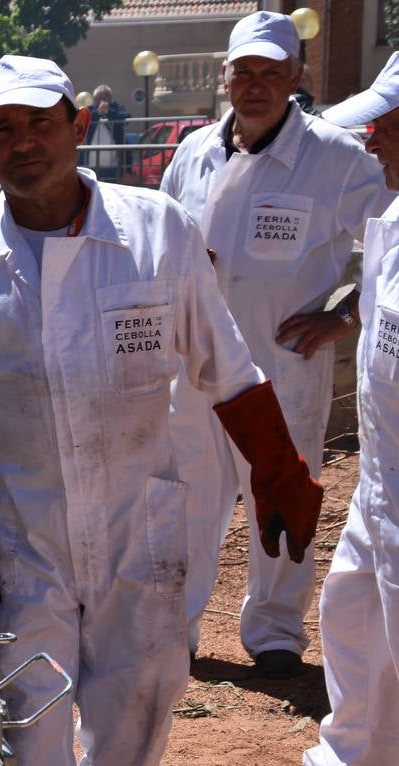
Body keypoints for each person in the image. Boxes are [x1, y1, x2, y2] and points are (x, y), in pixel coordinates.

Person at [0, 54, 322, 766]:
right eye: (5, 130)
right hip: (19, 535)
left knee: (137, 720)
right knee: (29, 727)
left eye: (42, 123)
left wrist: (279, 468)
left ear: (79, 127)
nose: (26, 144)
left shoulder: (155, 232)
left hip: (142, 530)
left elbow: (227, 367)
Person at [159, 10, 392, 677]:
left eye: (271, 72)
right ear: (224, 76)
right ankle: (177, 628)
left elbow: (390, 239)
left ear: (297, 77)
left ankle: (275, 631)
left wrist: (342, 312)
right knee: (188, 499)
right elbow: (164, 246)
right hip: (196, 365)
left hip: (280, 363)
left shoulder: (335, 158)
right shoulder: (192, 152)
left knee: (282, 489)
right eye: (244, 72)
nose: (255, 85)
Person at [233, 53, 399, 766]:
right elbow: (372, 295)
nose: (371, 138)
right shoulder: (396, 218)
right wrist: (343, 314)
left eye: (390, 121)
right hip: (385, 476)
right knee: (354, 618)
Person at [85, 84, 129, 181]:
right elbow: (82, 120)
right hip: (91, 161)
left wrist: (109, 111)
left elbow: (126, 118)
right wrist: (98, 113)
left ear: (109, 98)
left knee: (111, 187)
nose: (100, 101)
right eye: (97, 99)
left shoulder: (118, 108)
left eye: (103, 98)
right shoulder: (90, 109)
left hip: (113, 162)